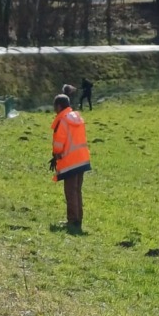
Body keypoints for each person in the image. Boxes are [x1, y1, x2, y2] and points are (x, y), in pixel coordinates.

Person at [49, 93, 91, 231]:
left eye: (55, 107)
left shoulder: (63, 121)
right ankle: (78, 219)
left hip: (70, 161)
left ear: (59, 106)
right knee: (77, 191)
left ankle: (72, 221)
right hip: (82, 158)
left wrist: (56, 155)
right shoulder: (77, 117)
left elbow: (59, 143)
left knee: (70, 192)